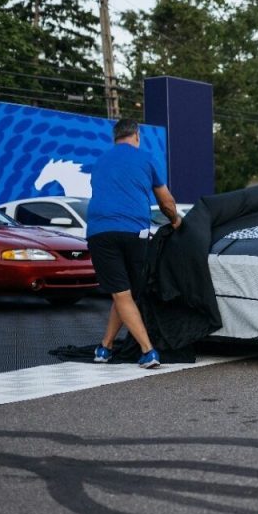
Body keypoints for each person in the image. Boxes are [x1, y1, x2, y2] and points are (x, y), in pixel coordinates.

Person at [87, 118, 181, 369]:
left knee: (122, 293)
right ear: (137, 136)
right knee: (125, 293)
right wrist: (176, 222)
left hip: (100, 232)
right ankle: (148, 350)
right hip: (134, 233)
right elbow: (166, 202)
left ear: (114, 137)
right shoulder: (146, 158)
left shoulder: (99, 162)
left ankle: (105, 347)